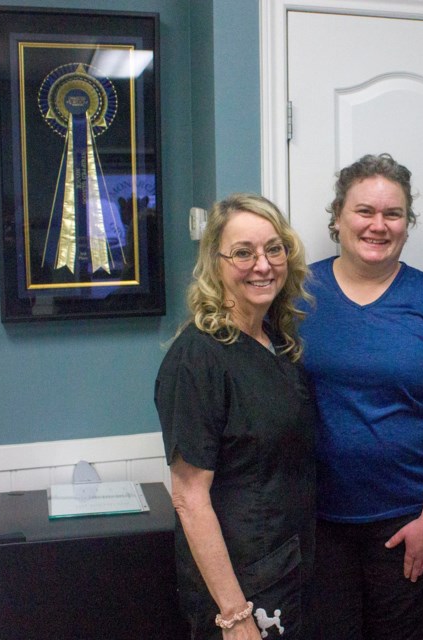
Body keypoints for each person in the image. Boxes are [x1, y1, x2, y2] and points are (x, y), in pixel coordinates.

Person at [297, 153, 423, 639]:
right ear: (337, 217)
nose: (378, 225)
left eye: (392, 214)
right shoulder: (297, 293)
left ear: (406, 223)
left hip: (406, 520)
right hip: (317, 521)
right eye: (364, 211)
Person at [154, 194, 317, 640]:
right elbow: (189, 496)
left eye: (274, 249)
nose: (262, 265)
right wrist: (234, 614)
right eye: (243, 252)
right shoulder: (199, 358)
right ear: (216, 262)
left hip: (287, 568)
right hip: (241, 586)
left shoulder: (277, 343)